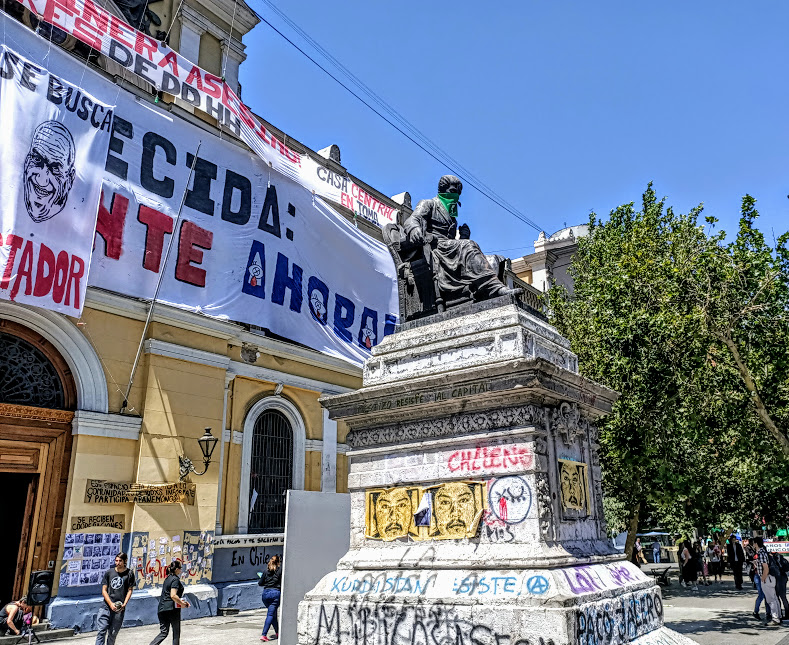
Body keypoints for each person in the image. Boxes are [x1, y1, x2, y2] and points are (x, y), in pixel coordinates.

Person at [404, 175, 519, 303]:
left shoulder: (452, 218)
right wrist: (415, 229)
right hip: (435, 248)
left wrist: (464, 236)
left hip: (448, 250)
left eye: (458, 193)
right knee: (469, 245)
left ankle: (485, 290)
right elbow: (412, 220)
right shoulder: (428, 204)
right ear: (443, 190)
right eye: (453, 191)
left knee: (496, 259)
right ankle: (494, 288)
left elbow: (453, 242)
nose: (456, 196)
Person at [96, 552, 135, 645]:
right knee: (102, 631)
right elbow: (104, 590)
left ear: (125, 561)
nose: (118, 563)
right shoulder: (109, 573)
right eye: (116, 561)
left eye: (120, 561)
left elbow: (130, 590)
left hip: (119, 608)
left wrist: (124, 604)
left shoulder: (129, 573)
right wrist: (110, 604)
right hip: (106, 607)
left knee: (113, 633)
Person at [149, 560, 190, 645]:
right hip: (172, 609)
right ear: (176, 569)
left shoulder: (167, 579)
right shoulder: (175, 579)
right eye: (180, 568)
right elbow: (173, 595)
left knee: (164, 632)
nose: (181, 570)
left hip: (162, 608)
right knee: (176, 632)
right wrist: (182, 604)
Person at [753, 537, 781, 625]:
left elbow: (766, 568)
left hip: (767, 578)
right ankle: (778, 616)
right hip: (770, 578)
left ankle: (775, 618)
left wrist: (763, 578)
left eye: (754, 543)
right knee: (774, 598)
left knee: (770, 599)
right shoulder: (764, 552)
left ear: (756, 544)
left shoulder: (761, 554)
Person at [258, 555, 282, 642]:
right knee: (271, 615)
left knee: (273, 613)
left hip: (265, 594)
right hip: (275, 594)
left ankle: (278, 632)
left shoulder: (266, 571)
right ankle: (264, 635)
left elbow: (260, 583)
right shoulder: (280, 571)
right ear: (278, 562)